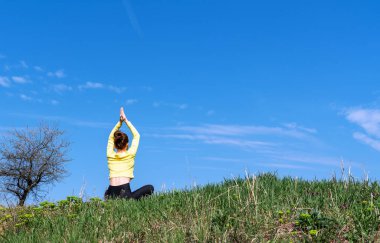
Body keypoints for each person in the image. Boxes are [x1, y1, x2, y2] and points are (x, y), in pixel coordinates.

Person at [104, 107, 154, 200]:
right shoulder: (130, 154)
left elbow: (110, 137)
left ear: (114, 145)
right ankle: (129, 201)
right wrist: (126, 120)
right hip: (124, 193)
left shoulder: (110, 154)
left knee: (108, 193)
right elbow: (137, 136)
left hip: (110, 193)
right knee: (150, 188)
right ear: (127, 145)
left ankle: (108, 199)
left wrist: (120, 122)